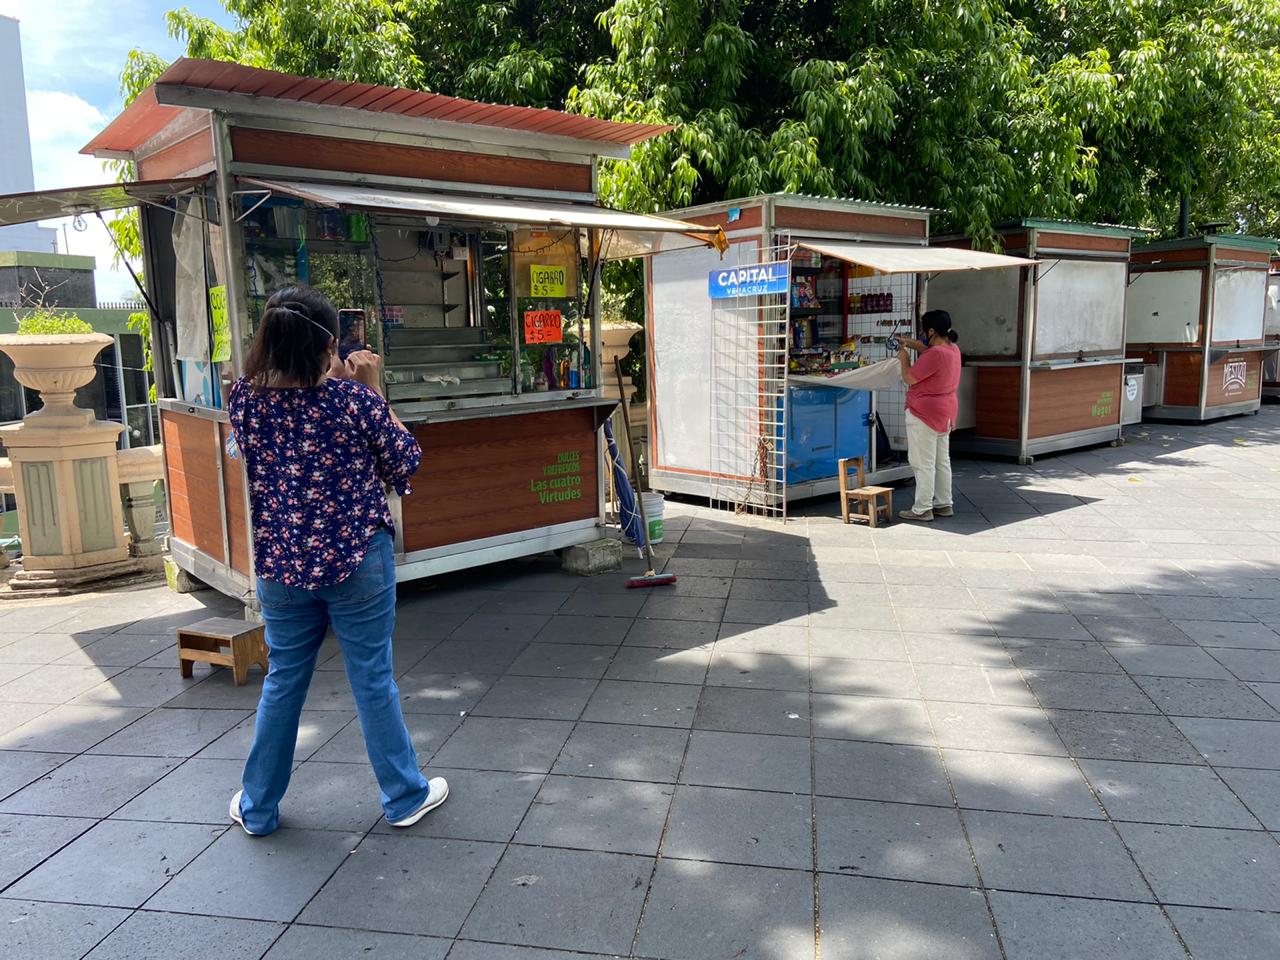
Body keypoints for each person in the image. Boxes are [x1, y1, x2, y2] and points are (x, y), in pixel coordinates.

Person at [226, 285, 447, 836]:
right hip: (357, 561)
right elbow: (405, 461)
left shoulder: (244, 401)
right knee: (372, 680)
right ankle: (403, 795)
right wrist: (375, 388)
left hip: (281, 564)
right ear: (328, 347)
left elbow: (256, 454)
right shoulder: (355, 403)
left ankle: (258, 807)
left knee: (283, 681)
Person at [896, 308, 962, 522]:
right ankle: (944, 503)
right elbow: (930, 352)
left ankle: (922, 508)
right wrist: (914, 344)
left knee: (921, 461)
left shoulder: (935, 354)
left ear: (931, 330)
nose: (923, 334)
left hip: (924, 413)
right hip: (947, 412)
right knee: (942, 460)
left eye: (925, 330)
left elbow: (909, 377)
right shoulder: (953, 349)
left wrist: (903, 357)